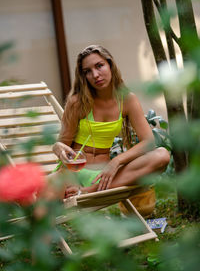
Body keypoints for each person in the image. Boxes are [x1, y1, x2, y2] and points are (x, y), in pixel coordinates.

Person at [52, 45, 170, 212]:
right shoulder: (78, 103)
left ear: (110, 65)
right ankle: (80, 190)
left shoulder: (127, 99)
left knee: (162, 155)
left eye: (99, 66)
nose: (95, 75)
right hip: (76, 171)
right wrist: (58, 149)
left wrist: (116, 161)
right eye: (87, 71)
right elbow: (62, 145)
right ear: (83, 76)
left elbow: (149, 142)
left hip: (104, 175)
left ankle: (85, 193)